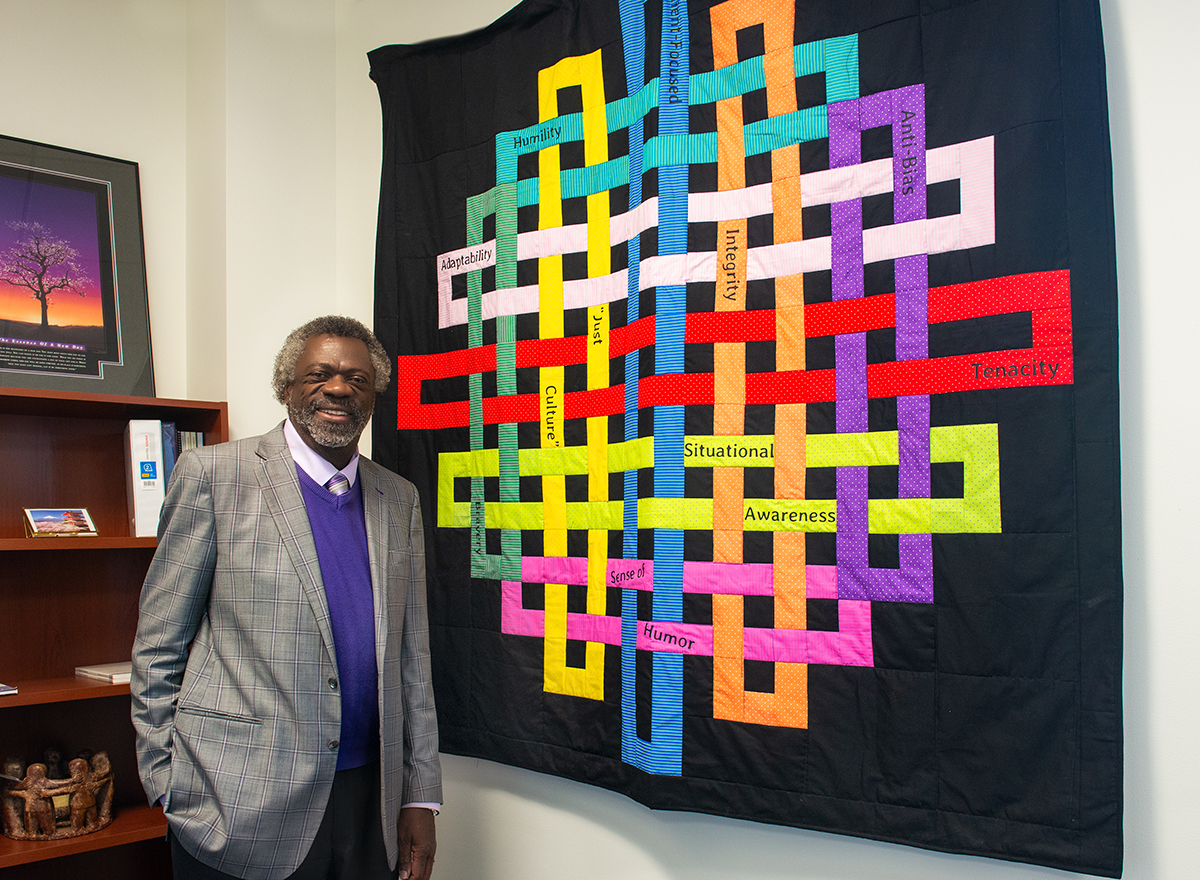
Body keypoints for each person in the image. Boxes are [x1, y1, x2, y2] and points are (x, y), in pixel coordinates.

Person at [132, 316, 441, 880]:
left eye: (357, 379)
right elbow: (158, 645)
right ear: (286, 387)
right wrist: (165, 781)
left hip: (368, 797)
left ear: (373, 396)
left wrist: (420, 795)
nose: (339, 388)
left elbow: (412, 660)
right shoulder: (212, 476)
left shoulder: (400, 499)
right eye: (318, 374)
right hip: (237, 801)